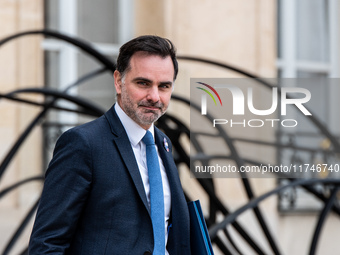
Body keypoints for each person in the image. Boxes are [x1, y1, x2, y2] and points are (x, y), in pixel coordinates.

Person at [29, 35, 191, 254]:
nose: (154, 96)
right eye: (143, 83)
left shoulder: (163, 143)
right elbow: (47, 244)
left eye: (164, 86)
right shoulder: (83, 144)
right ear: (118, 81)